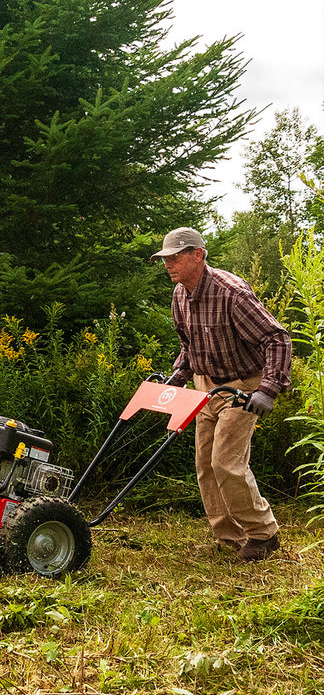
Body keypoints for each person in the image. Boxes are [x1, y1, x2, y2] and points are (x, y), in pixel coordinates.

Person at [151, 227, 291, 562]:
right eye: (165, 259)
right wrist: (180, 375)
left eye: (175, 257)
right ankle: (230, 535)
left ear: (197, 255)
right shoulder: (180, 294)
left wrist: (268, 390)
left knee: (225, 461)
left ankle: (263, 534)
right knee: (205, 462)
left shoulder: (232, 293)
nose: (168, 264)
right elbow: (189, 344)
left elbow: (276, 339)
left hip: (244, 385)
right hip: (206, 383)